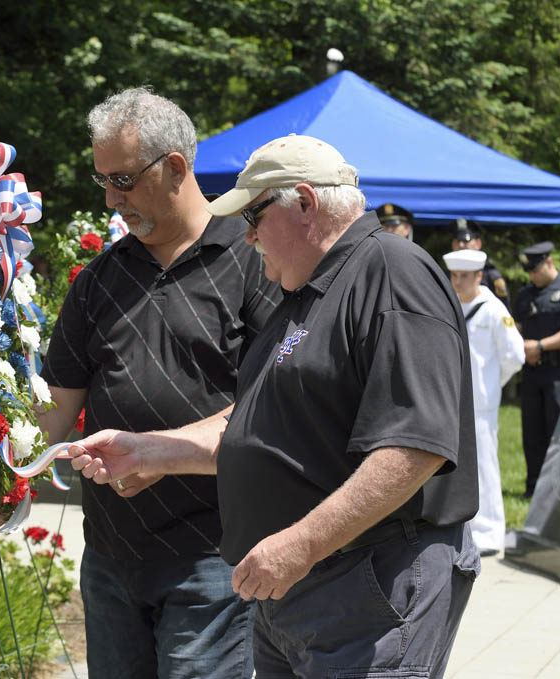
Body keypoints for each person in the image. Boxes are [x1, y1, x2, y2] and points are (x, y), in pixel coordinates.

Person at [71, 134, 480, 678]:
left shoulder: (389, 270)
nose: (248, 235)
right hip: (301, 589)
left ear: (306, 204)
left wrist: (300, 544)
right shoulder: (306, 292)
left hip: (368, 577)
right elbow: (257, 432)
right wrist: (146, 453)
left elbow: (413, 447)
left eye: (255, 216)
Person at [38, 87, 281, 679]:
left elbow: (272, 411)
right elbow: (54, 408)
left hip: (215, 556)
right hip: (112, 557)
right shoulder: (98, 280)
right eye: (102, 181)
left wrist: (161, 454)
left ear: (176, 166)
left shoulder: (257, 262)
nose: (111, 198)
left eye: (122, 179)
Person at [443, 249, 524, 556]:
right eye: (454, 275)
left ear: (479, 276)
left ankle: (490, 533)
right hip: (453, 399)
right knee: (456, 465)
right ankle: (465, 527)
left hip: (481, 403)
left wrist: (491, 385)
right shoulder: (450, 304)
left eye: (464, 276)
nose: (458, 282)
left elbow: (514, 357)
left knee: (485, 466)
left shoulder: (492, 309)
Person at [513, 241, 560, 498]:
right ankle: (533, 488)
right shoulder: (525, 294)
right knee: (531, 433)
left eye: (535, 270)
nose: (532, 276)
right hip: (532, 373)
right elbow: (518, 328)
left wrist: (541, 346)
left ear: (549, 262)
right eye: (529, 272)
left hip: (559, 374)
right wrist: (522, 347)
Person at [451, 218, 510, 308]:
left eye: (466, 241)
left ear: (478, 244)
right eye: (457, 241)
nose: (461, 245)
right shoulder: (447, 274)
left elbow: (503, 309)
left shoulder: (491, 275)